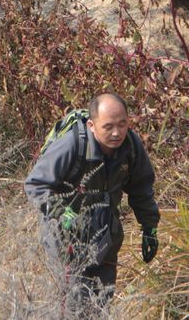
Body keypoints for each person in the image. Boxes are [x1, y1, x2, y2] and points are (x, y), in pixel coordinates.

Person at [24, 91, 160, 315]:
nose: (117, 133)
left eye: (122, 124)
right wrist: (61, 212)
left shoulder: (131, 146)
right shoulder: (72, 145)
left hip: (106, 234)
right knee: (73, 305)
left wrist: (150, 227)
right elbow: (36, 184)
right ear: (92, 125)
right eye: (108, 126)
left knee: (100, 304)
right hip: (66, 236)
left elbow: (141, 189)